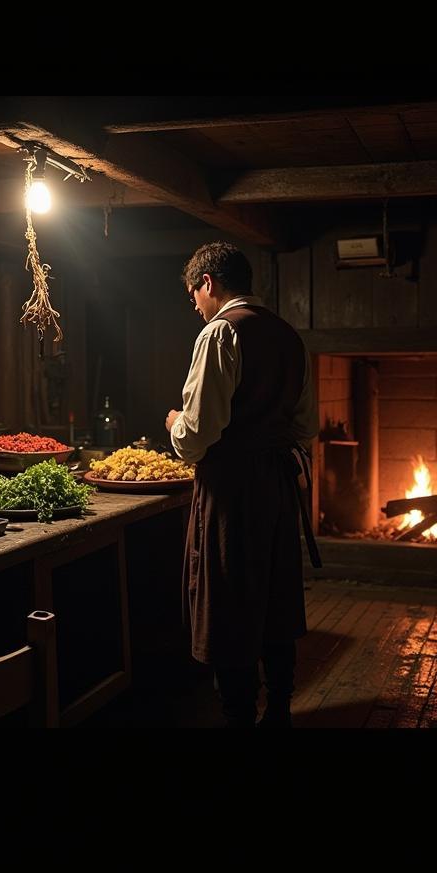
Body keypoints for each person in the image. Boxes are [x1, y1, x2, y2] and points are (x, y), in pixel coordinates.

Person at [166, 241, 318, 728]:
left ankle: (237, 718)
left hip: (231, 491)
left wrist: (174, 423)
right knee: (274, 597)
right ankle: (279, 710)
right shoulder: (289, 336)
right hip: (276, 485)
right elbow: (304, 426)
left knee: (230, 604)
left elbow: (197, 434)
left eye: (194, 294)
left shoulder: (220, 333)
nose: (194, 305)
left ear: (208, 283)